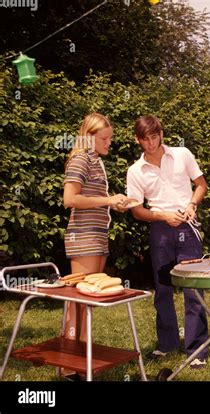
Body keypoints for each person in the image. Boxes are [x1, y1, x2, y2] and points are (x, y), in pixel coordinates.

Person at [126, 115, 209, 369]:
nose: (150, 143)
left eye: (154, 136)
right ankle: (167, 343)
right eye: (145, 139)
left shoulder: (182, 154)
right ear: (137, 140)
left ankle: (197, 350)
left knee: (193, 287)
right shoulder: (135, 171)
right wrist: (162, 215)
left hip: (187, 226)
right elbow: (136, 210)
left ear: (161, 133)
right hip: (160, 229)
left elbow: (201, 185)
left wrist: (192, 204)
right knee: (162, 289)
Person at [63, 113, 130, 378]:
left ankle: (80, 361)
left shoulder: (94, 161)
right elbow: (70, 199)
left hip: (97, 234)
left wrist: (115, 203)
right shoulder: (80, 159)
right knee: (77, 300)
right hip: (84, 236)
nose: (109, 142)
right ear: (89, 137)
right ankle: (68, 365)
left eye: (110, 138)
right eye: (105, 138)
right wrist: (108, 200)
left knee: (88, 299)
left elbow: (96, 199)